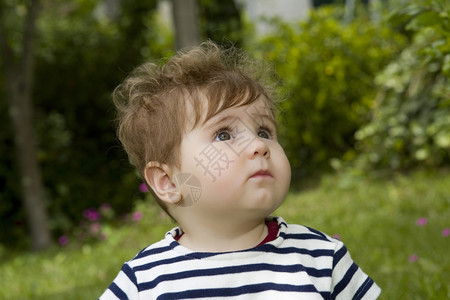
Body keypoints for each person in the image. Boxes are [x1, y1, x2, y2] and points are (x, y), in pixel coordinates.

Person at [99, 41, 381, 299]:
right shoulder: (144, 281)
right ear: (169, 182)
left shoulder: (320, 258)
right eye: (224, 135)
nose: (259, 145)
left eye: (264, 131)